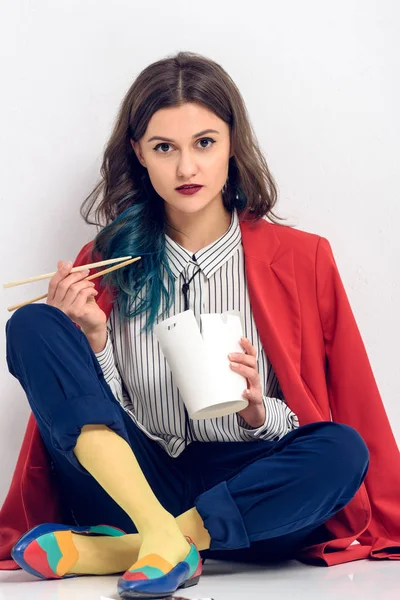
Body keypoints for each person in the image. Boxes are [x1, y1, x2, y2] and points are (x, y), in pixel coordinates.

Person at [3, 51, 399, 600]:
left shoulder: (302, 258)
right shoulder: (104, 258)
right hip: (130, 482)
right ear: (139, 153)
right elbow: (104, 415)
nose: (186, 169)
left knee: (344, 451)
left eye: (204, 143)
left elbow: (324, 413)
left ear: (233, 144)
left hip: (242, 495)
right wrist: (94, 341)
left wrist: (261, 414)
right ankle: (157, 529)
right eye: (165, 148)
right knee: (33, 324)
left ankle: (133, 546)